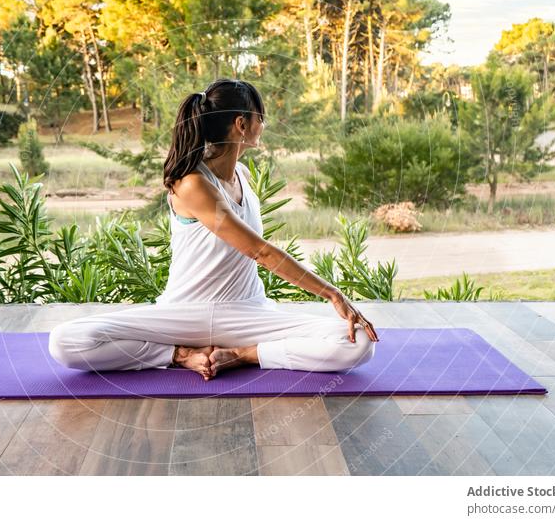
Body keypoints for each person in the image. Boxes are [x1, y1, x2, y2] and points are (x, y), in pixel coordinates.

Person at [49, 78, 379, 381]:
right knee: (65, 342)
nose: (263, 125)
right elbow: (259, 251)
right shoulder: (192, 182)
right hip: (185, 313)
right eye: (260, 118)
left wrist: (244, 349)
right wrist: (332, 293)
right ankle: (179, 356)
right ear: (242, 124)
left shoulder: (243, 178)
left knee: (359, 342)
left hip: (248, 312)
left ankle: (242, 355)